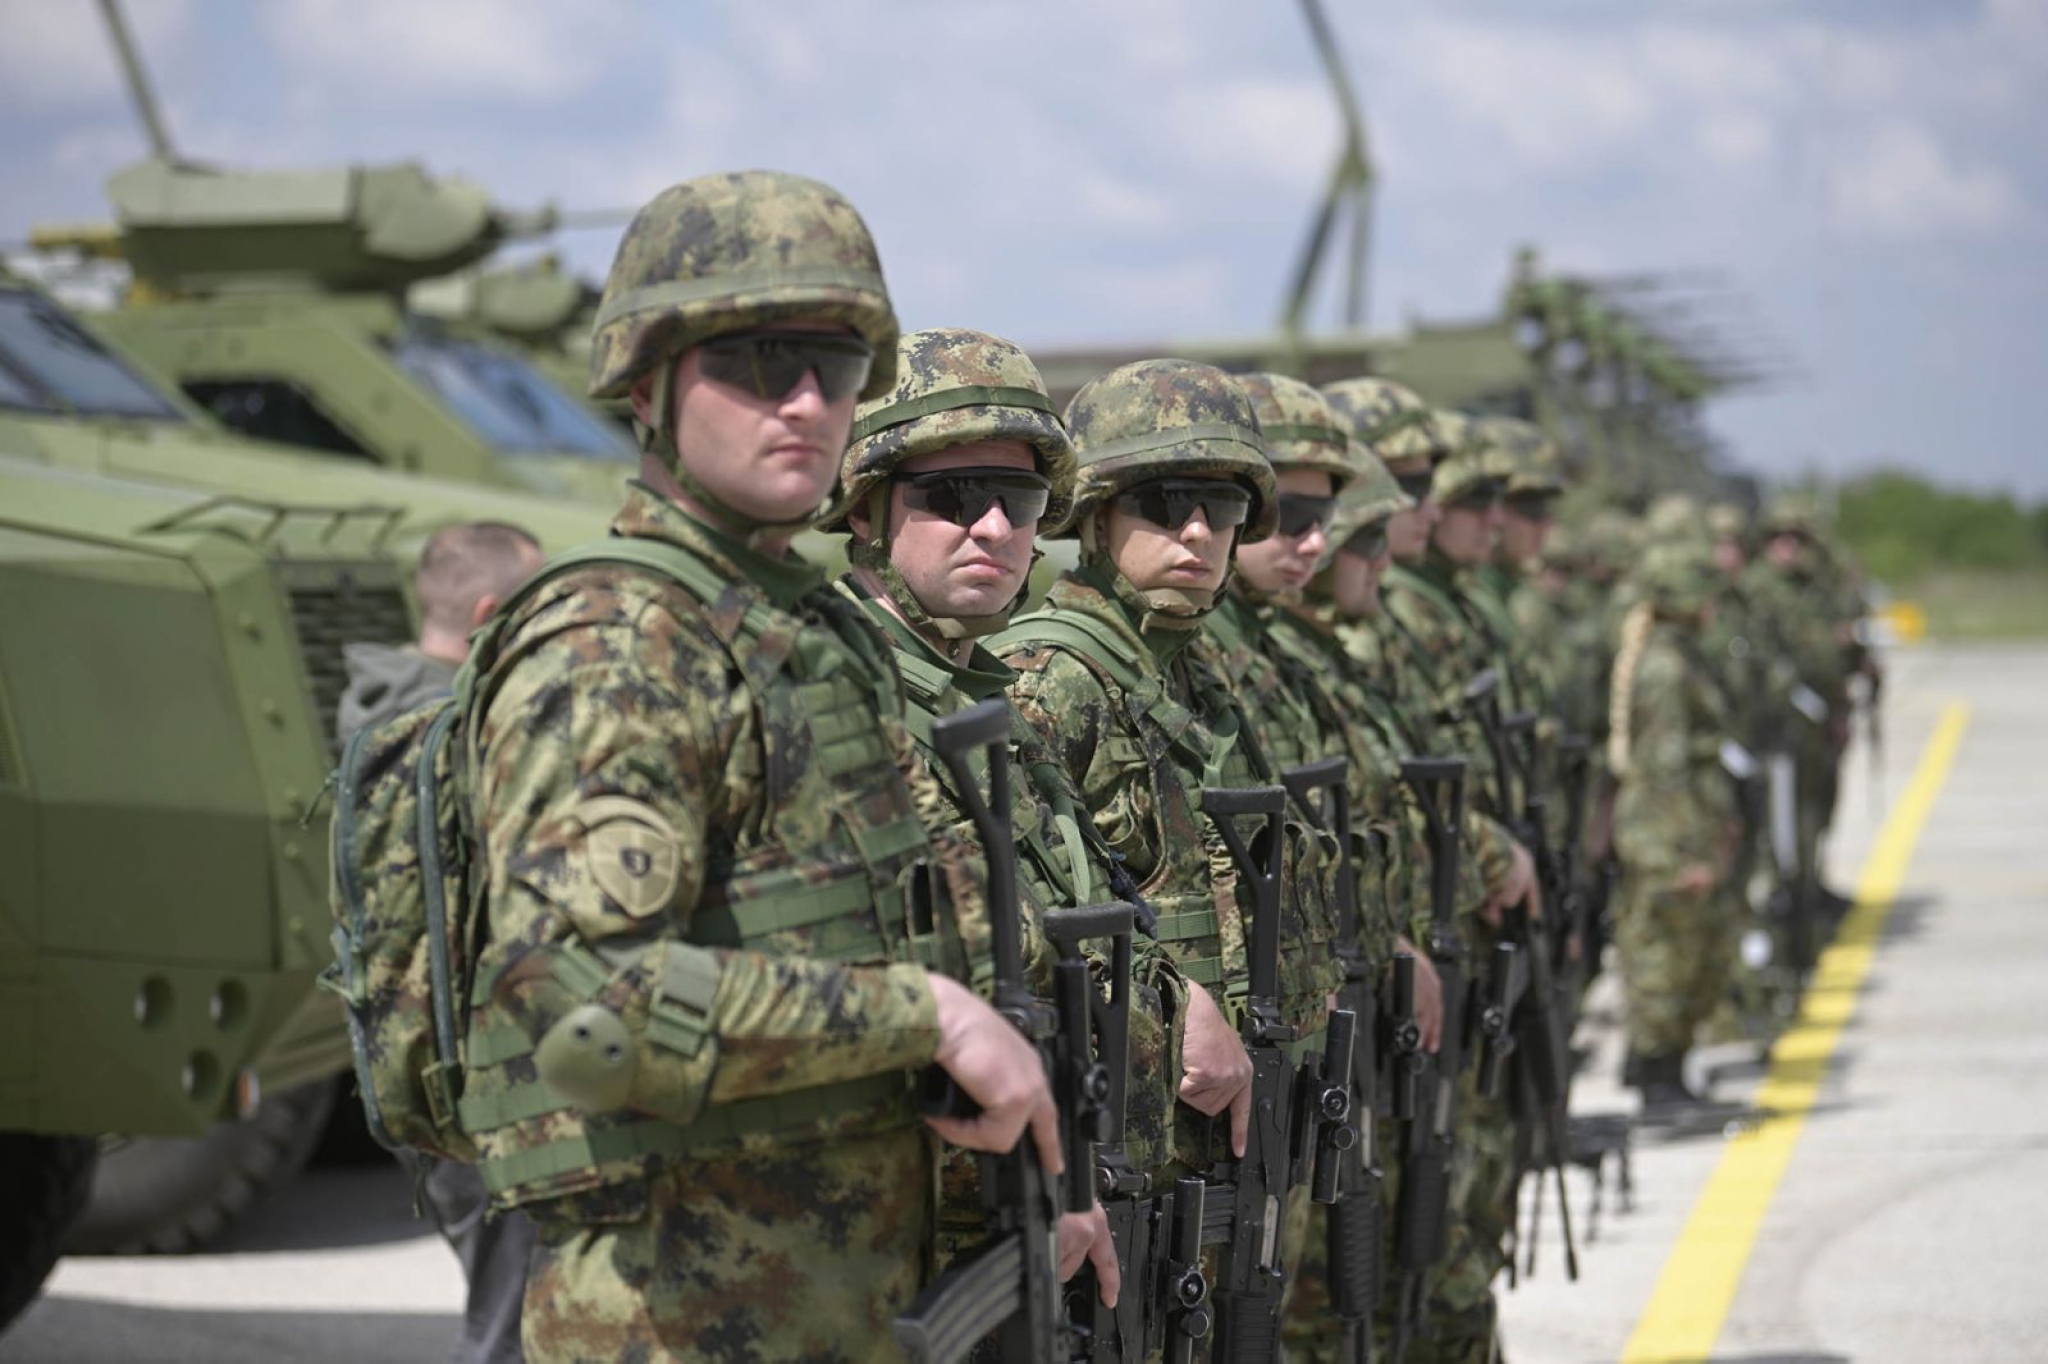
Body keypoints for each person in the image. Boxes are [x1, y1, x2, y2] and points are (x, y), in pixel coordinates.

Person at [454, 171, 1061, 1363]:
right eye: (752, 362)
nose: (800, 402)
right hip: (669, 1315)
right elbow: (588, 1002)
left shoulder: (805, 633)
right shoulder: (619, 640)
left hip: (831, 1295)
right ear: (645, 384)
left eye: (831, 370)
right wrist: (919, 1013)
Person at [995, 358, 1329, 1189]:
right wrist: (1176, 1007)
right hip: (1125, 1145)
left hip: (1225, 1124)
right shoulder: (1050, 678)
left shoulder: (1195, 673)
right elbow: (1010, 911)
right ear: (1097, 520)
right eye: (1165, 505)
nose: (1198, 533)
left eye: (1224, 510)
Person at [337, 519, 543, 1364]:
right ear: (490, 611)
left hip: (416, 1064)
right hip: (477, 1082)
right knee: (509, 1332)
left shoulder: (381, 714)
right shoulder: (453, 737)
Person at [1609, 538, 1743, 1111]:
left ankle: (1667, 1068)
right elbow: (1665, 771)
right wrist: (1685, 852)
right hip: (1666, 837)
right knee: (1664, 955)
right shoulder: (1665, 666)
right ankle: (1656, 1075)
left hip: (1682, 831)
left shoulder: (1680, 652)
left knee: (1688, 952)